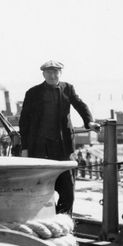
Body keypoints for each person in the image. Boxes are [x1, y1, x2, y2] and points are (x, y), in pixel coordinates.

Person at [19, 59, 99, 214]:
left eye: (55, 72)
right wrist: (25, 148)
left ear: (60, 73)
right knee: (40, 190)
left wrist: (90, 123)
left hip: (62, 149)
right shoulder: (32, 93)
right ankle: (48, 219)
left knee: (68, 192)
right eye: (49, 72)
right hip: (39, 149)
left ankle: (62, 220)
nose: (52, 75)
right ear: (43, 74)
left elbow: (79, 105)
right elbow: (24, 122)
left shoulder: (67, 89)